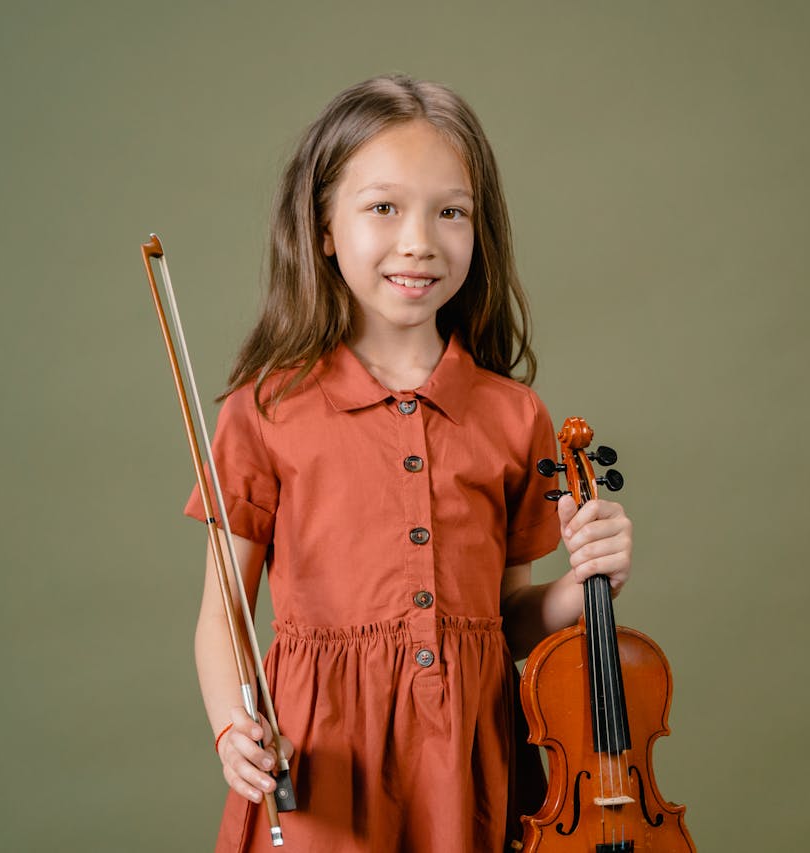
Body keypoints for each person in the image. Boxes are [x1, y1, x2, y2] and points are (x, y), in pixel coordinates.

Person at [185, 74, 633, 852]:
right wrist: (232, 725)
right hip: (322, 765)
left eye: (450, 211)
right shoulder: (264, 410)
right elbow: (223, 614)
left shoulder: (511, 414)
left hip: (466, 761)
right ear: (323, 227)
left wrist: (581, 586)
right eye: (383, 207)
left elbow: (504, 617)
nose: (419, 240)